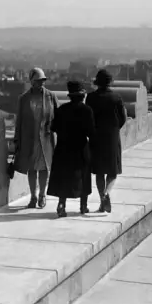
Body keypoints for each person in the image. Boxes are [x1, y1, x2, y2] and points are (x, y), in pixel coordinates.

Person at [13, 67, 59, 209]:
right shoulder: (24, 99)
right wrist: (17, 140)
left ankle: (42, 195)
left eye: (43, 81)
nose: (41, 83)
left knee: (44, 168)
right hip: (30, 139)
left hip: (46, 139)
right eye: (39, 81)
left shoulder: (51, 97)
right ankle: (33, 196)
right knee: (32, 169)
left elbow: (58, 118)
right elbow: (19, 121)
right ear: (32, 81)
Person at [47, 80, 95, 217]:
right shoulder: (87, 110)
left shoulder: (62, 109)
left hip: (63, 148)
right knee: (83, 177)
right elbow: (91, 132)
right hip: (80, 148)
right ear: (82, 96)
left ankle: (61, 205)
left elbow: (53, 127)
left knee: (64, 178)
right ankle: (83, 206)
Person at [85, 69, 127, 213]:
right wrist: (114, 129)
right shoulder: (116, 98)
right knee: (112, 171)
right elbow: (123, 119)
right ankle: (106, 194)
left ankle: (102, 200)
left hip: (96, 138)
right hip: (112, 137)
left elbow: (88, 118)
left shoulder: (90, 97)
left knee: (99, 172)